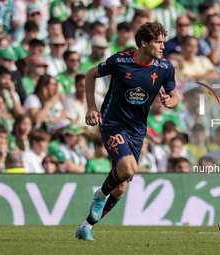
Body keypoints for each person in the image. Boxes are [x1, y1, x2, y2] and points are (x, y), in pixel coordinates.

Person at [76, 21, 179, 240]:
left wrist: (171, 101)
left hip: (137, 130)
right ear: (144, 42)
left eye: (164, 42)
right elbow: (89, 75)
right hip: (113, 123)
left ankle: (86, 226)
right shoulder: (120, 60)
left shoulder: (164, 67)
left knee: (121, 187)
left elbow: (175, 96)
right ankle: (101, 194)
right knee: (129, 168)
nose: (163, 47)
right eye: (158, 43)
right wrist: (92, 108)